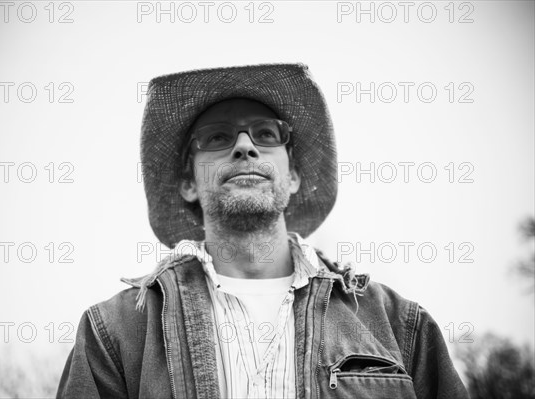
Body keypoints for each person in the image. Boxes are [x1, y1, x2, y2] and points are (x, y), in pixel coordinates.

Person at [57, 63, 469, 398]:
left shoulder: (399, 325)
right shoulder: (115, 333)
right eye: (218, 137)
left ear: (292, 176)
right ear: (188, 183)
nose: (244, 146)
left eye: (266, 134)